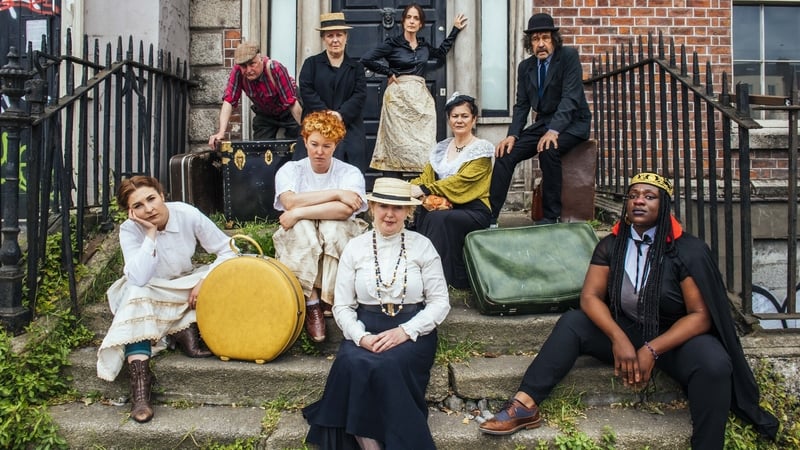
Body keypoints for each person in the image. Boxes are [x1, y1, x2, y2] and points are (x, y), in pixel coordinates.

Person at [478, 172, 780, 449]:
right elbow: (591, 297)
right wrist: (619, 337)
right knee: (573, 322)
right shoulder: (612, 245)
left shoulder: (686, 250)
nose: (639, 201)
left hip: (674, 339)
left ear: (664, 205)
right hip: (627, 328)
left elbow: (700, 315)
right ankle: (524, 405)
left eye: (649, 196)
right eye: (634, 195)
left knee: (714, 363)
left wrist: (651, 349)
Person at [303, 177, 451, 450]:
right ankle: (370, 444)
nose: (389, 214)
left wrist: (405, 331)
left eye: (397, 208)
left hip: (413, 329)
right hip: (366, 324)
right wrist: (361, 337)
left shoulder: (422, 246)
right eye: (383, 206)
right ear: (371, 207)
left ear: (408, 212)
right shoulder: (355, 248)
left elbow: (440, 302)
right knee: (351, 363)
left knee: (386, 366)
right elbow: (343, 307)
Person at [97, 175, 236, 423]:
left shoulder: (186, 213)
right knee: (135, 294)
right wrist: (150, 234)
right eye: (138, 205)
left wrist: (206, 281)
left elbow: (228, 249)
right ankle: (141, 386)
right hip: (150, 289)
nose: (149, 209)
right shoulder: (130, 230)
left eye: (151, 199)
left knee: (234, 274)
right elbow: (138, 278)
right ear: (131, 211)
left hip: (186, 283)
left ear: (162, 196)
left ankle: (177, 330)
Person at [272, 110, 368, 343]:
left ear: (336, 145)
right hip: (300, 232)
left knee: (333, 228)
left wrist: (299, 212)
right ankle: (312, 301)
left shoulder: (349, 172)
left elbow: (345, 210)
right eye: (314, 144)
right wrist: (336, 193)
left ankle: (331, 295)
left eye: (327, 145)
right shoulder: (291, 170)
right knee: (303, 230)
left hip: (336, 227)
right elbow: (289, 201)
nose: (319, 152)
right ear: (305, 141)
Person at [489, 12, 591, 226]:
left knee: (548, 149)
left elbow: (570, 98)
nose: (541, 44)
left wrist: (554, 131)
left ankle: (550, 216)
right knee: (505, 154)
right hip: (543, 123)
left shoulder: (568, 57)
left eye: (545, 38)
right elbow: (522, 105)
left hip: (572, 122)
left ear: (554, 39)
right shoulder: (526, 67)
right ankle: (490, 217)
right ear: (530, 43)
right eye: (535, 39)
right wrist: (513, 135)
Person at [360, 4, 468, 174]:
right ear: (403, 21)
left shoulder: (424, 46)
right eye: (409, 17)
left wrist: (454, 30)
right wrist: (388, 72)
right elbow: (367, 59)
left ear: (421, 24)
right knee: (395, 147)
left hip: (420, 100)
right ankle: (393, 192)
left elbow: (440, 53)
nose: (412, 21)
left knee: (424, 146)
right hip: (398, 100)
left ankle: (421, 191)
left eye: (416, 18)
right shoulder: (392, 44)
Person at [409, 93, 493, 289]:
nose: (459, 120)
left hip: (474, 209)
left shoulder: (481, 150)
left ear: (474, 119)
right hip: (447, 204)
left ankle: (438, 281)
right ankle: (418, 274)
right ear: (449, 119)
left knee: (437, 218)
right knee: (421, 213)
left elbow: (462, 182)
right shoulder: (442, 148)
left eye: (464, 116)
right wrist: (407, 188)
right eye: (455, 116)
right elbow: (426, 176)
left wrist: (424, 189)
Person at [294, 12, 368, 172]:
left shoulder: (356, 68)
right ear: (323, 39)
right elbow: (307, 91)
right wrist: (327, 115)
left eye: (339, 35)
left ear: (346, 37)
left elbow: (359, 95)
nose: (335, 40)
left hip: (348, 127)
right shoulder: (311, 64)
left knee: (350, 167)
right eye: (330, 35)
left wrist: (340, 115)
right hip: (316, 126)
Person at [208, 41, 302, 148]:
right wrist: (221, 132)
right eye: (243, 66)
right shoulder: (238, 72)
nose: (248, 70)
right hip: (265, 114)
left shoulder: (274, 68)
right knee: (259, 150)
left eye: (252, 64)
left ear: (260, 59)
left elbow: (292, 103)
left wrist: (306, 130)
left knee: (297, 145)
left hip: (289, 112)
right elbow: (229, 100)